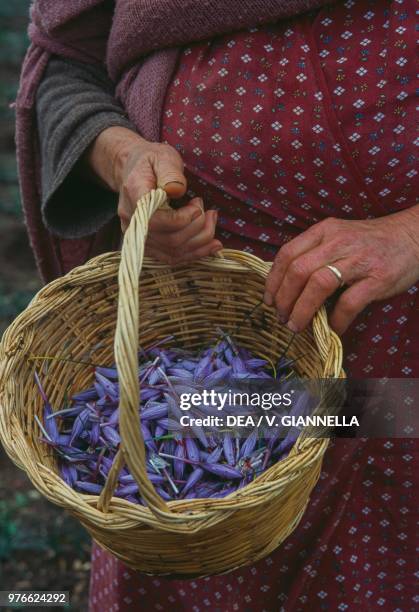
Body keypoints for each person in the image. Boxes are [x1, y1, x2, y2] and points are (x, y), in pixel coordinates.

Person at [15, 0, 417, 610]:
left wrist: (409, 236)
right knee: (196, 525)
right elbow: (67, 65)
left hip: (396, 338)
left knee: (374, 548)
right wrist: (123, 157)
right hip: (203, 332)